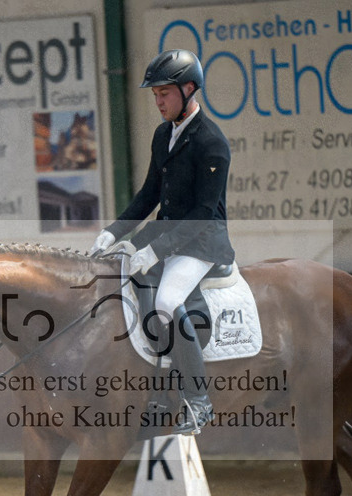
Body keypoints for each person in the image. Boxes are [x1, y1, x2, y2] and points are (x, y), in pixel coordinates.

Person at [92, 49, 235, 435]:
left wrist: (154, 250)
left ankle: (198, 401)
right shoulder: (163, 135)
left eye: (164, 94)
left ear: (189, 89)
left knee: (168, 302)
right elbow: (149, 194)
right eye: (155, 95)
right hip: (166, 235)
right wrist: (113, 232)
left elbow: (204, 214)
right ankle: (156, 394)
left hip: (203, 242)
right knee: (124, 285)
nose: (158, 102)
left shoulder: (212, 143)